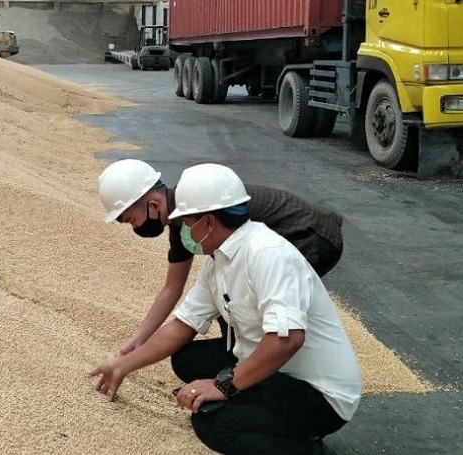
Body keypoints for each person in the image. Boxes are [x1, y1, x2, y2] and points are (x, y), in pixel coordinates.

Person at [89, 163, 361, 455]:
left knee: (214, 424)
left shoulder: (268, 254)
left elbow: (287, 339)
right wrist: (122, 365)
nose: (185, 232)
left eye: (189, 223)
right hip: (280, 369)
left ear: (207, 223)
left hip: (318, 394)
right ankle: (253, 389)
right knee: (187, 359)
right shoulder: (218, 260)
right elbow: (182, 326)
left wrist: (224, 386)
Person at [97, 159, 343, 355]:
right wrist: (140, 339)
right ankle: (245, 360)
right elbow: (172, 288)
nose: (135, 227)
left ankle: (261, 372)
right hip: (306, 231)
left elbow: (230, 278)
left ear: (152, 205)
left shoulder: (194, 209)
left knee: (254, 304)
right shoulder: (180, 221)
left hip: (313, 237)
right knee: (234, 301)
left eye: (131, 219)